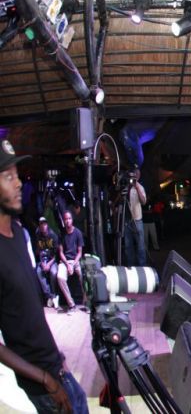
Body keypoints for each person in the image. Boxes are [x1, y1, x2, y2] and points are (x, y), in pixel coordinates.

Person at [0, 139, 88, 412]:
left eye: (17, 175)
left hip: (56, 367)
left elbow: (30, 314)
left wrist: (59, 362)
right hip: (43, 383)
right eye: (8, 177)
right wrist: (45, 380)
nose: (18, 183)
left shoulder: (18, 234)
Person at [57, 210, 86, 313]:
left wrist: (73, 264)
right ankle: (71, 304)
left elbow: (80, 253)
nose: (67, 221)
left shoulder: (78, 233)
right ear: (63, 221)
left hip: (75, 260)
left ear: (72, 220)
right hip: (65, 261)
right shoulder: (61, 233)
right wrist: (67, 265)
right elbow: (61, 253)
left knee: (84, 275)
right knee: (60, 277)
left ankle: (86, 302)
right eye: (66, 219)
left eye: (69, 219)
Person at [124, 167, 147, 266]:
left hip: (137, 220)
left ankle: (142, 267)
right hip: (127, 221)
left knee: (140, 246)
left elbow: (143, 202)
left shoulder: (140, 187)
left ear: (139, 176)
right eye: (133, 175)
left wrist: (137, 187)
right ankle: (131, 266)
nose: (135, 177)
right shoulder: (126, 186)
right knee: (128, 246)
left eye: (137, 175)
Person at [35, 216, 60, 308]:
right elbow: (38, 252)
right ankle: (50, 296)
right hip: (43, 261)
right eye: (41, 224)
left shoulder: (53, 236)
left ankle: (54, 294)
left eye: (44, 224)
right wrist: (42, 263)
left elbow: (56, 255)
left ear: (47, 225)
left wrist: (48, 264)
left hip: (52, 261)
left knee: (53, 272)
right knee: (38, 272)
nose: (43, 226)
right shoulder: (38, 235)